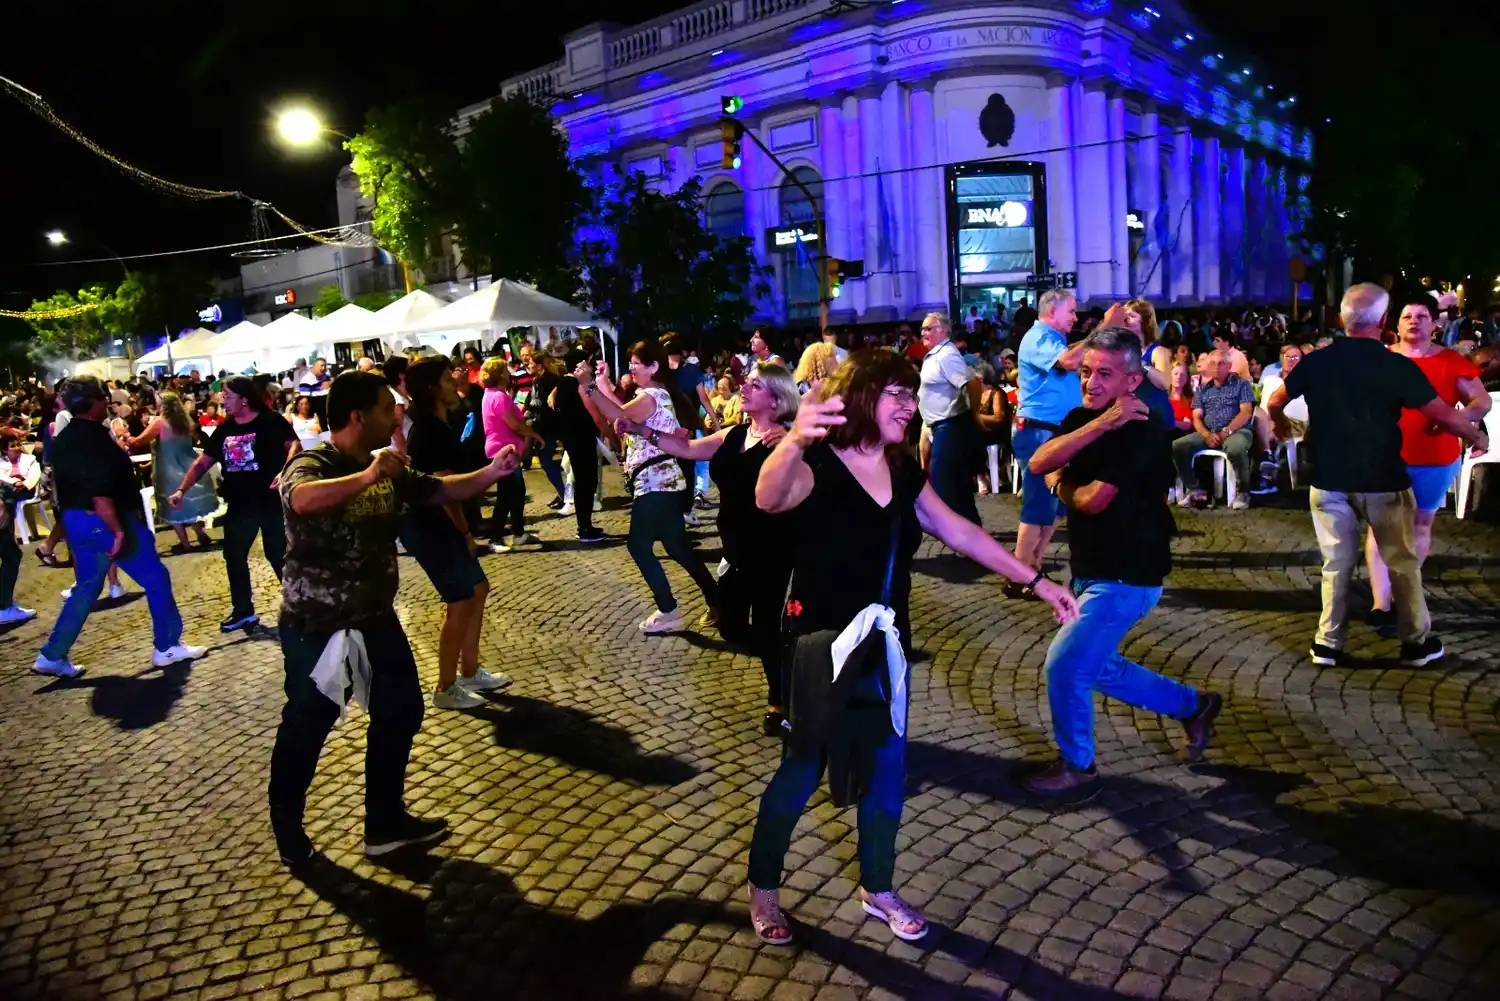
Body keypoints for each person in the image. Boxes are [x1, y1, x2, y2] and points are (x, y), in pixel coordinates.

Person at [744, 348, 1077, 946]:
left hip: (884, 642)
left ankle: (878, 888)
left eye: (910, 393)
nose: (908, 404)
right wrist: (794, 436)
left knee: (888, 773)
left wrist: (1036, 579)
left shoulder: (901, 468)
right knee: (799, 772)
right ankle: (764, 887)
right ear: (862, 395)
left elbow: (957, 529)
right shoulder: (814, 457)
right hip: (820, 643)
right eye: (896, 392)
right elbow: (769, 497)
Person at [269, 370, 521, 864]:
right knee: (308, 723)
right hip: (316, 624)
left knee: (402, 711)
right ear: (358, 416)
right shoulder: (315, 461)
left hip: (374, 617)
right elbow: (300, 500)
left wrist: (491, 472)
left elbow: (435, 489)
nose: (397, 414)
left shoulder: (388, 464)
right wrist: (368, 475)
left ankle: (383, 822)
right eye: (388, 408)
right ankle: (287, 826)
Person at [1023, 327, 1222, 798]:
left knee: (1066, 666)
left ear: (1132, 381)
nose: (1090, 382)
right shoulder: (1085, 416)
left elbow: (1091, 500)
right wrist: (1097, 425)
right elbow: (1037, 462)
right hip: (1092, 566)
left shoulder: (1146, 430)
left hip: (1130, 571)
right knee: (1097, 665)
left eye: (1104, 374)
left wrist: (1059, 483)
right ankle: (1194, 707)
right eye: (1087, 371)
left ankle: (1079, 767)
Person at [1266, 284, 1489, 669]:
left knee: (1335, 565)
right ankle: (1416, 643)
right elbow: (1441, 412)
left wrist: (1280, 424)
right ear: (1385, 322)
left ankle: (1328, 644)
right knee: (1402, 562)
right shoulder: (1396, 366)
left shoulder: (1317, 361)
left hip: (1329, 479)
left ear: (1340, 319)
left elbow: (1275, 399)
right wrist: (1475, 434)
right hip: (1384, 479)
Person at [616, 362, 801, 735]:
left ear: (777, 399)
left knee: (765, 625)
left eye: (755, 385)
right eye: (746, 383)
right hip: (734, 550)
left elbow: (818, 468)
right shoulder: (733, 436)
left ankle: (779, 699)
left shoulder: (789, 440)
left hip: (772, 548)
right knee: (730, 626)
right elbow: (684, 448)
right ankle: (787, 655)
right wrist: (642, 430)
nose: (744, 389)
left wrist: (793, 445)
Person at [33, 376, 206, 679]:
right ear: (94, 401)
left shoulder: (64, 437)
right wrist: (118, 529)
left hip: (77, 520)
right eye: (104, 397)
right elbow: (99, 490)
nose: (109, 404)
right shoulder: (95, 438)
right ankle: (167, 645)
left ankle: (53, 653)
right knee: (155, 576)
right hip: (107, 520)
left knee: (87, 586)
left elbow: (61, 485)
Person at [1364, 294, 1491, 636]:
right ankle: (1381, 602)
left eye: (1422, 316)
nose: (1413, 321)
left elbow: (1482, 400)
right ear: (1396, 322)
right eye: (1407, 315)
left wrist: (1458, 418)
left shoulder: (1451, 361)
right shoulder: (1382, 359)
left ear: (1435, 323)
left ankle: (1406, 592)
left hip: (1435, 456)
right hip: (1385, 455)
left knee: (1420, 525)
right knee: (1380, 527)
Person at [574, 341, 720, 633]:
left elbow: (618, 415)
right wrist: (599, 384)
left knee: (639, 546)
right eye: (629, 362)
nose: (630, 367)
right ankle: (718, 599)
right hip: (661, 481)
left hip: (656, 483)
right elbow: (617, 411)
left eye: (636, 363)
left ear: (654, 367)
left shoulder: (652, 395)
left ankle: (669, 610)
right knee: (677, 547)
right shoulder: (652, 395)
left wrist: (590, 386)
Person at [400, 359, 512, 708]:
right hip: (429, 523)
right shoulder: (430, 428)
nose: (456, 383)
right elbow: (443, 488)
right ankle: (445, 687)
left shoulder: (436, 422)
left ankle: (469, 670)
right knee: (460, 600)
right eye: (449, 379)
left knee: (477, 589)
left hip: (437, 520)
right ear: (433, 387)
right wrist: (464, 531)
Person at [171, 377, 301, 632]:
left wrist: (285, 470)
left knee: (278, 554)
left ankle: (298, 605)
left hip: (270, 501)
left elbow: (293, 445)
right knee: (234, 555)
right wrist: (181, 489)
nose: (222, 400)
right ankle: (243, 610)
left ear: (244, 398)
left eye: (228, 396)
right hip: (240, 504)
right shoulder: (225, 428)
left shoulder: (270, 421)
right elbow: (203, 462)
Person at [1011, 289, 1084, 597]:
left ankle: (1033, 567)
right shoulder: (1038, 337)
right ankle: (1018, 575)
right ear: (1052, 311)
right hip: (1040, 431)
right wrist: (1104, 330)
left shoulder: (1052, 339)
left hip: (1053, 431)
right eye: (1072, 311)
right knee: (1039, 504)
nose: (1076, 317)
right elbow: (1068, 362)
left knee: (1053, 506)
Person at [916, 312, 984, 524]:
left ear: (944, 331)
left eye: (929, 328)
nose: (923, 332)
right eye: (923, 328)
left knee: (945, 483)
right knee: (956, 484)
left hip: (951, 426)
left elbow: (972, 383)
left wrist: (974, 411)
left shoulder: (946, 355)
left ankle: (963, 530)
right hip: (940, 426)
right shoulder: (936, 354)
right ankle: (972, 529)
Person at [127, 392, 214, 553]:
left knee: (171, 505)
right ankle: (200, 532)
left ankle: (185, 543)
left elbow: (139, 441)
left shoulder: (160, 422)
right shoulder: (187, 422)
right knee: (185, 502)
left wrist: (126, 438)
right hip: (187, 465)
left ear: (163, 405)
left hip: (167, 468)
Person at [1171, 349, 1256, 509]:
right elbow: (1196, 416)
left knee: (1235, 447)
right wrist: (1206, 434)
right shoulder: (1202, 389)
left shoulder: (1241, 385)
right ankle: (1195, 490)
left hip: (1236, 430)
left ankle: (1243, 491)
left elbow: (1246, 412)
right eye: (1212, 363)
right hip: (1209, 432)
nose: (1216, 367)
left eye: (1221, 363)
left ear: (1229, 366)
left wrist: (1226, 432)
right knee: (1178, 446)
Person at [479, 358, 543, 552]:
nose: (509, 374)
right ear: (499, 374)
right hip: (504, 450)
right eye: (505, 371)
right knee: (506, 495)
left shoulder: (491, 394)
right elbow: (514, 424)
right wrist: (535, 435)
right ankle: (496, 538)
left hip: (507, 449)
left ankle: (518, 533)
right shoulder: (498, 396)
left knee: (517, 492)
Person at [554, 348, 606, 542]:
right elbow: (592, 413)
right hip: (581, 439)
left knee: (584, 482)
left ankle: (585, 525)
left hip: (572, 439)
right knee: (586, 482)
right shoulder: (576, 385)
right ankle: (584, 527)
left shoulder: (562, 384)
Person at [0, 437, 39, 625]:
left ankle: (4, 604)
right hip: (4, 501)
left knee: (11, 553)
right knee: (11, 554)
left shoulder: (28, 460)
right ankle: (4, 606)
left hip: (11, 497)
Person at [296, 359, 332, 427]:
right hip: (317, 416)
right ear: (314, 366)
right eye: (321, 366)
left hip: (329, 413)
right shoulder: (306, 380)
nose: (323, 368)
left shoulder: (326, 377)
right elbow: (305, 401)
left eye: (325, 366)